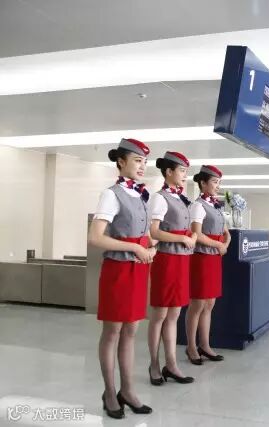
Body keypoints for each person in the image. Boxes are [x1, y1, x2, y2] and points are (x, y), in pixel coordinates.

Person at [88, 138, 154, 419]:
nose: (142, 166)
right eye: (137, 160)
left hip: (138, 270)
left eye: (144, 162)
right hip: (118, 271)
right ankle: (109, 391)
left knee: (131, 332)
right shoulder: (111, 194)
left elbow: (145, 234)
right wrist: (135, 248)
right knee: (113, 331)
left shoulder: (141, 195)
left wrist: (150, 248)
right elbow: (95, 237)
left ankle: (128, 390)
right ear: (121, 162)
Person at [148, 151, 198, 385]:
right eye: (182, 171)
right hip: (166, 260)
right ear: (168, 172)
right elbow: (154, 232)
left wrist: (191, 236)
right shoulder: (160, 198)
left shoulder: (181, 198)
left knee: (174, 314)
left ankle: (171, 364)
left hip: (182, 260)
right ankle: (154, 364)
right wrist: (181, 238)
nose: (185, 175)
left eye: (186, 171)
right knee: (159, 315)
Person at [185, 165, 230, 366]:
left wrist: (226, 241)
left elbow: (224, 231)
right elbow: (197, 234)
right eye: (214, 182)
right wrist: (218, 245)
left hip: (214, 258)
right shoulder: (198, 206)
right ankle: (191, 347)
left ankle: (205, 344)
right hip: (201, 258)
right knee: (197, 304)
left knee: (210, 304)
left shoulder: (215, 206)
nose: (217, 186)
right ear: (203, 183)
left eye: (219, 182)